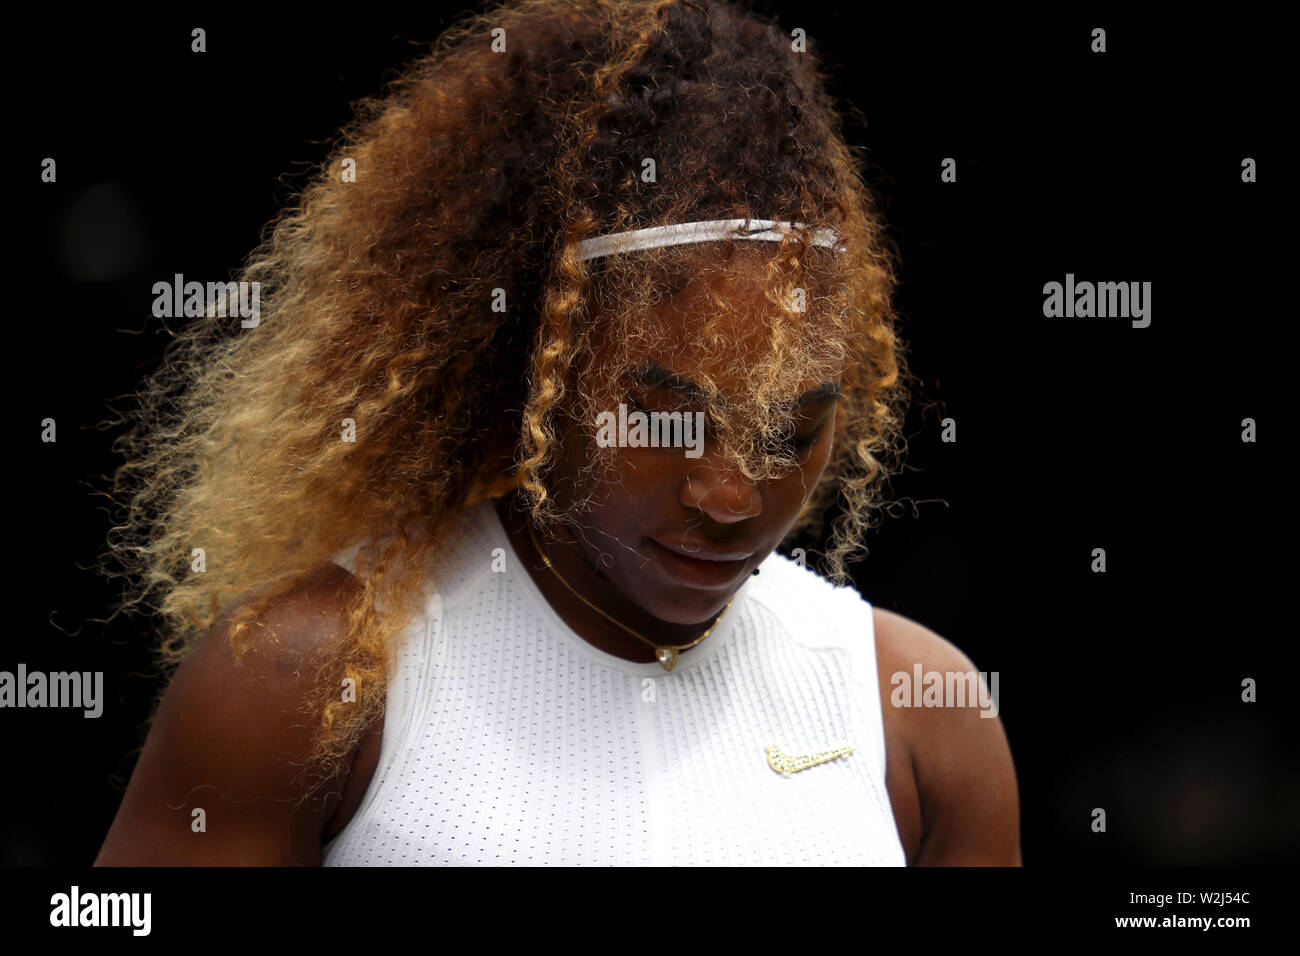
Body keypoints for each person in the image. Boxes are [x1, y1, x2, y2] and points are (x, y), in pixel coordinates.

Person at [94, 0, 1019, 866]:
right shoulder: (308, 682)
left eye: (789, 430)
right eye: (665, 419)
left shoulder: (918, 716)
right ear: (535, 366)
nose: (732, 495)